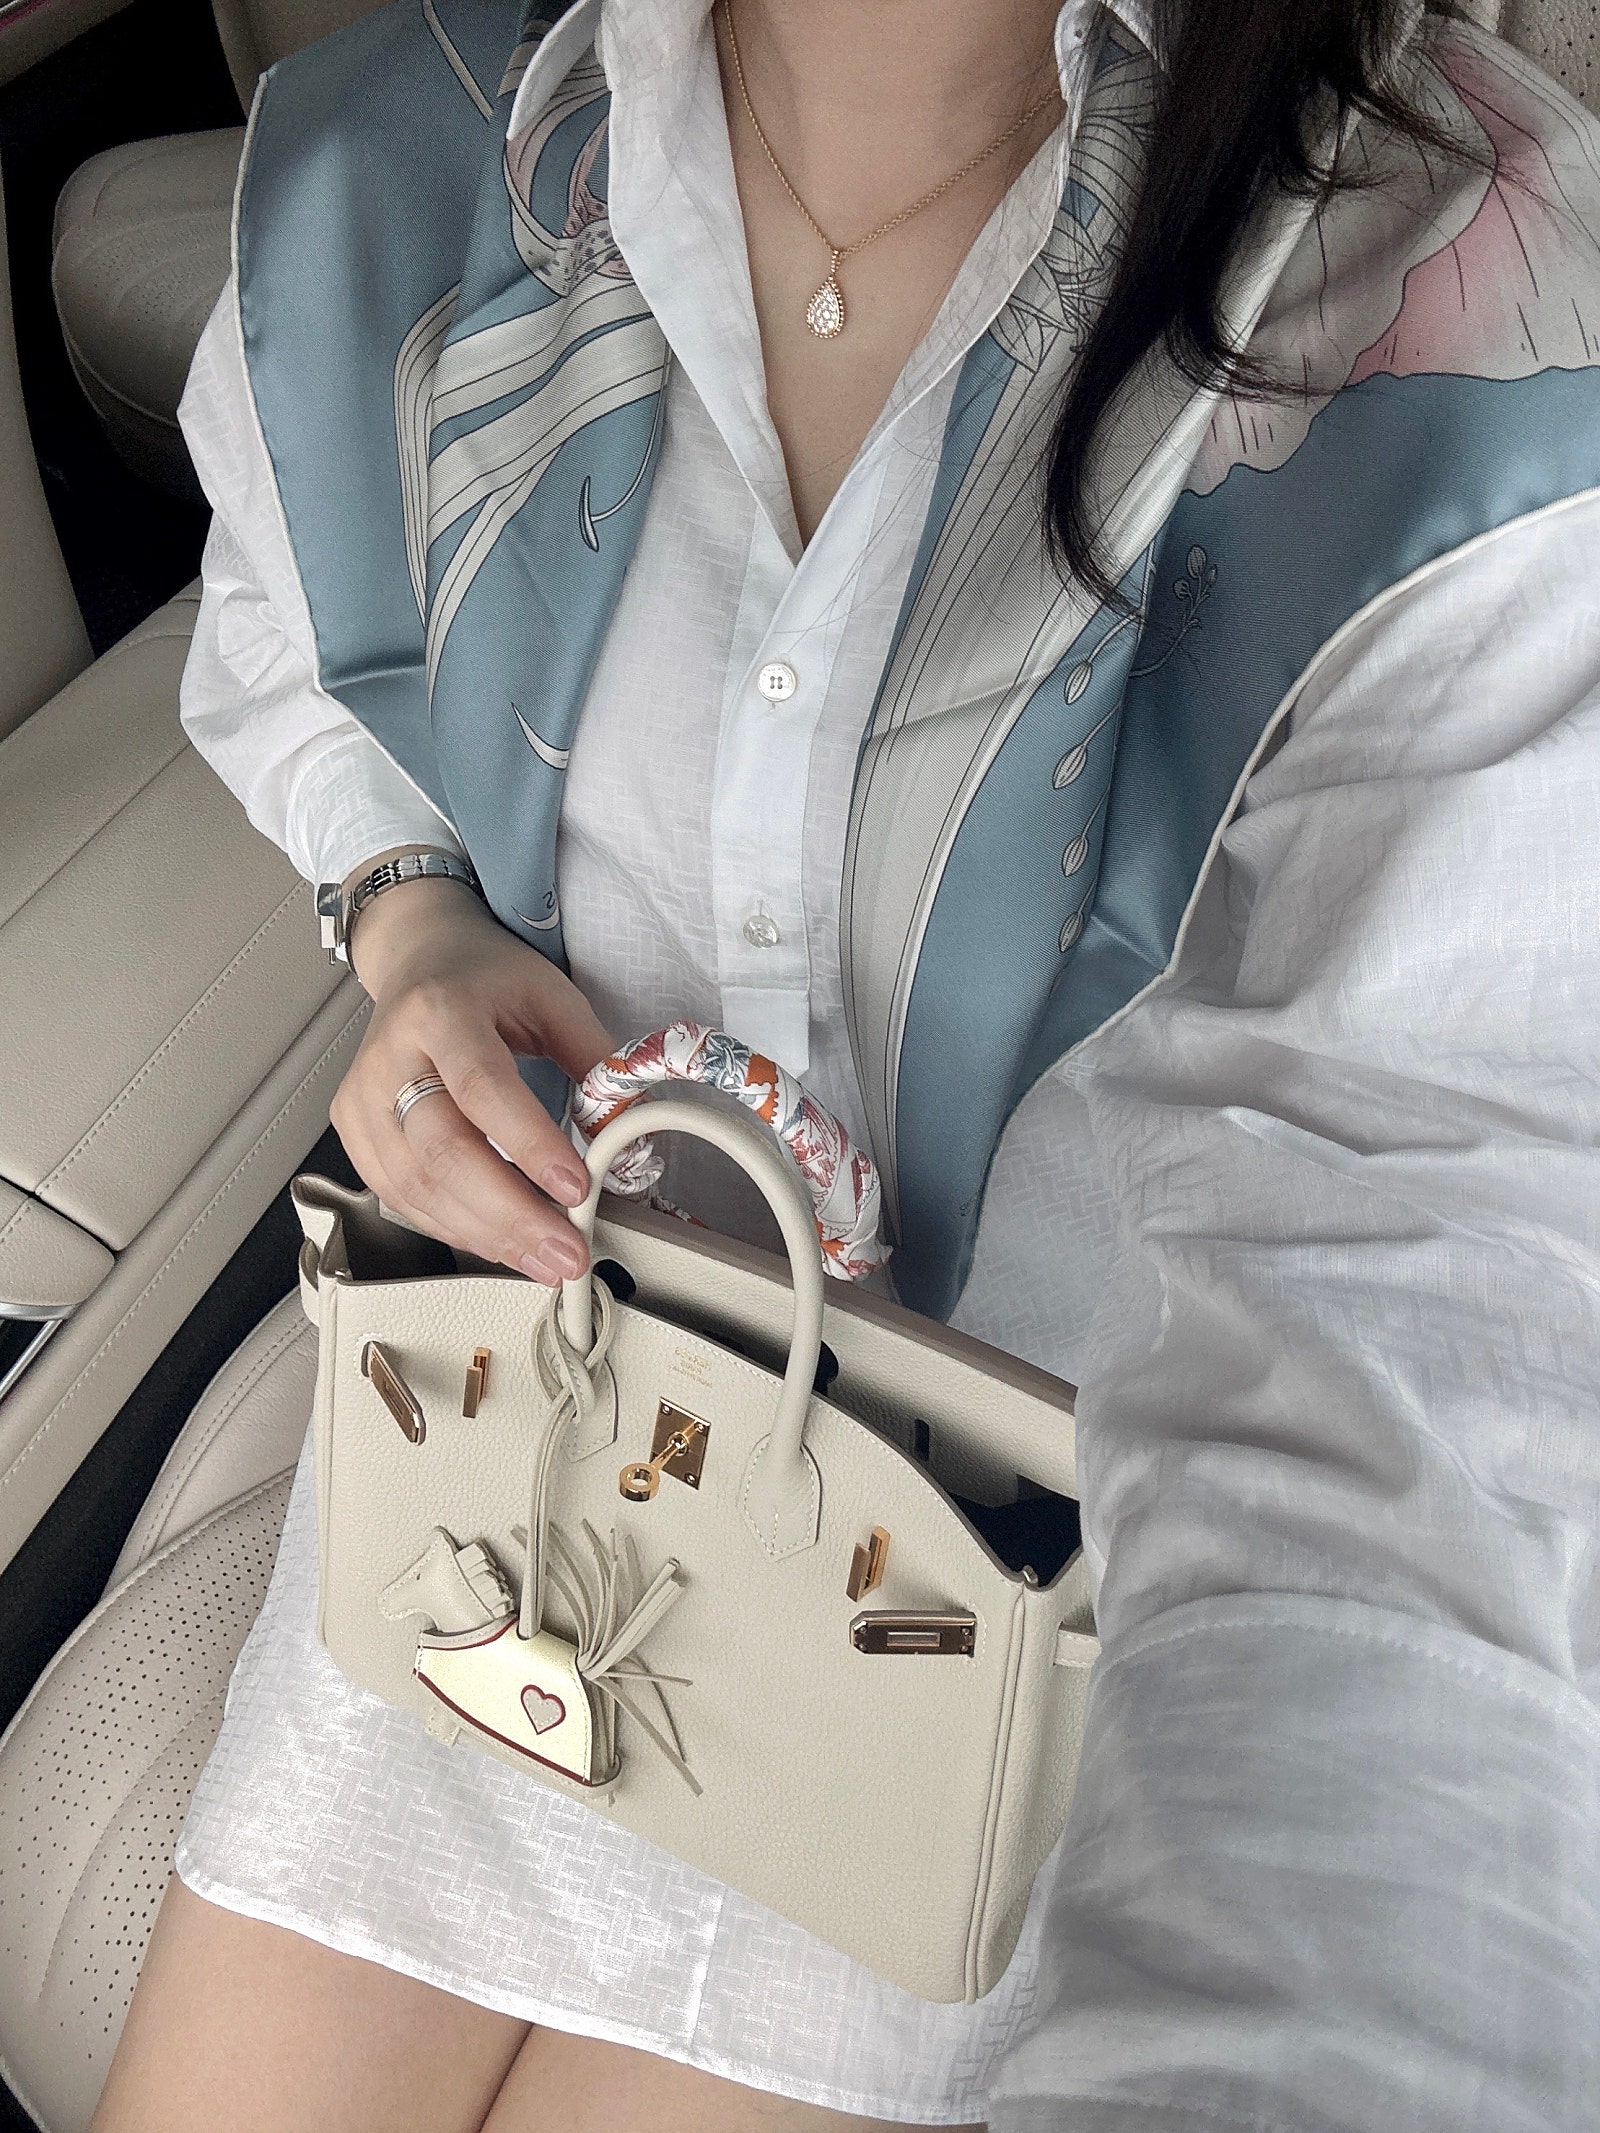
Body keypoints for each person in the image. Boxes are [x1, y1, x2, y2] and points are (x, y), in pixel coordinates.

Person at [92, 0, 1600, 2126]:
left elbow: (1428, 1351)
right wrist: (413, 921)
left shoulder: (1484, 358)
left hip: (1007, 1610)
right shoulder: (393, 167)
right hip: (518, 1460)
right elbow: (304, 639)